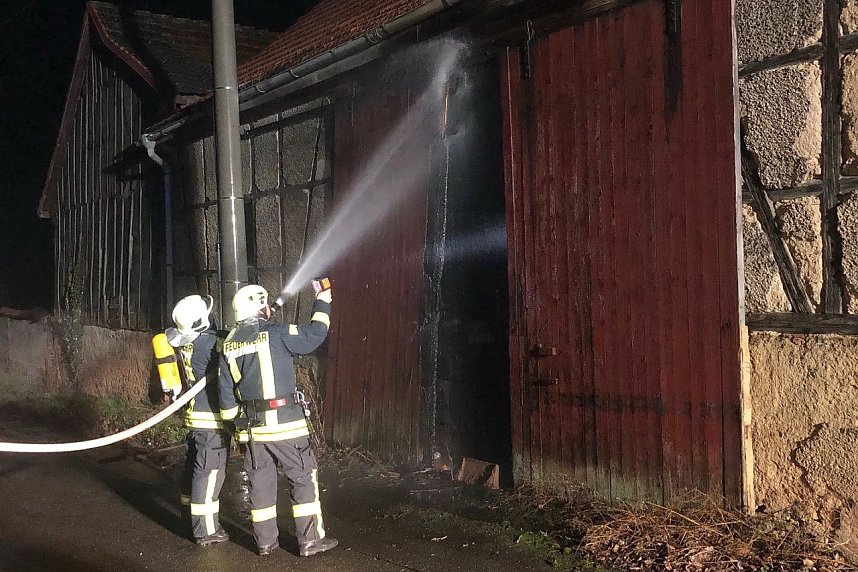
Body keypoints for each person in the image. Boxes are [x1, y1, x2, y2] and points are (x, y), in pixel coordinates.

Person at [219, 283, 338, 557]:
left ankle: (265, 543)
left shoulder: (229, 344)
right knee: (302, 477)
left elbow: (226, 398)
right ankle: (310, 541)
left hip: (252, 430)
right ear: (261, 307)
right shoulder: (276, 333)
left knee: (260, 485)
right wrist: (322, 302)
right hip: (286, 425)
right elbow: (314, 335)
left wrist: (234, 428)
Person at [166, 294, 230, 546]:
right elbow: (230, 344)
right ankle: (205, 530)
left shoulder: (188, 343)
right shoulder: (210, 344)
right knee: (209, 472)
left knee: (193, 469)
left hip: (194, 417)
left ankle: (188, 518)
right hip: (210, 421)